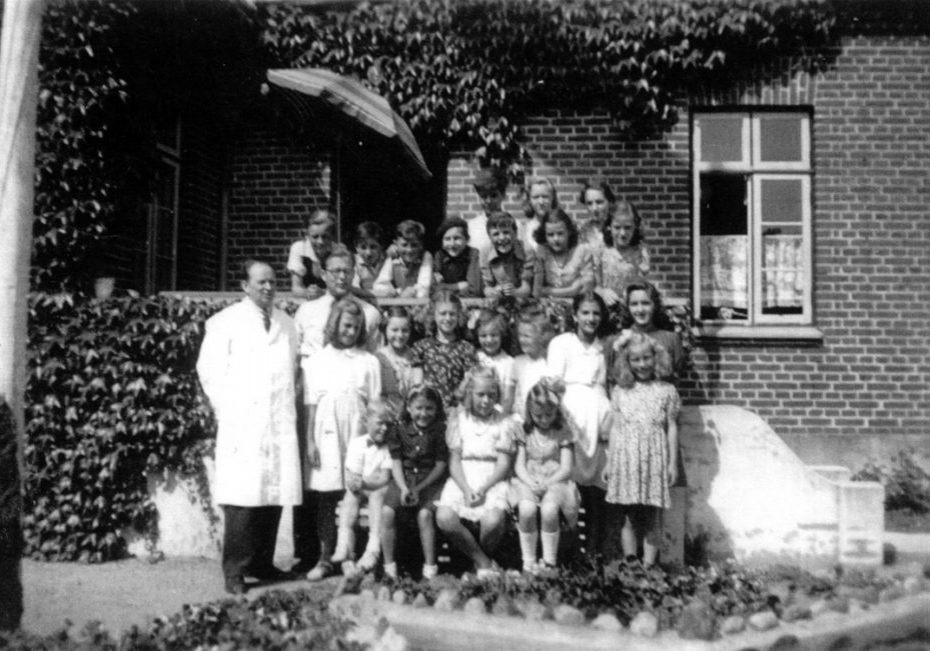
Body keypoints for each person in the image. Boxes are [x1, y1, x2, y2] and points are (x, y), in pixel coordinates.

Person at [196, 259, 301, 594]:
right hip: (243, 423)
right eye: (261, 283)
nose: (268, 288)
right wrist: (231, 410)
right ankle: (235, 570)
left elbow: (293, 369)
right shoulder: (224, 322)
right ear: (245, 286)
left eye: (272, 282)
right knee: (243, 497)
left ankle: (262, 562)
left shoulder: (287, 323)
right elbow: (208, 371)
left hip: (278, 420)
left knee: (273, 493)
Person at [292, 244, 381, 572]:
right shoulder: (317, 361)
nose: (350, 331)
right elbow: (311, 405)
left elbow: (374, 406)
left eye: (355, 328)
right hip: (325, 435)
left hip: (357, 435)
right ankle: (325, 558)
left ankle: (350, 557)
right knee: (326, 497)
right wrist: (311, 442)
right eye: (344, 326)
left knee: (353, 494)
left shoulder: (368, 362)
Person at [546, 291, 612, 558]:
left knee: (597, 487)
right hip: (570, 414)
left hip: (599, 416)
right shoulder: (562, 343)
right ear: (574, 315)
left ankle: (594, 553)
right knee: (569, 484)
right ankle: (568, 552)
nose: (591, 318)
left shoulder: (604, 346)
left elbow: (607, 383)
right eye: (585, 312)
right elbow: (552, 382)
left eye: (596, 313)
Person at [436, 366, 517, 577]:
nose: (486, 401)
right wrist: (465, 488)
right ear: (470, 394)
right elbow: (454, 461)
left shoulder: (504, 422)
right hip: (463, 475)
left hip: (492, 478)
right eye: (480, 394)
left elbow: (503, 464)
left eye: (491, 395)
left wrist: (483, 488)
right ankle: (483, 563)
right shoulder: (459, 419)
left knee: (493, 520)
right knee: (444, 517)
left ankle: (475, 567)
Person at [606, 333, 679, 566]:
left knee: (652, 516)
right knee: (627, 514)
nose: (642, 364)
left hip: (654, 457)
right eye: (635, 360)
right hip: (626, 457)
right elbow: (616, 428)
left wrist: (672, 463)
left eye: (647, 358)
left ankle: (648, 566)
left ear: (656, 358)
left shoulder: (666, 390)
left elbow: (672, 428)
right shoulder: (620, 391)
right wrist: (609, 462)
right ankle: (631, 563)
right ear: (627, 362)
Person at [381, 385, 449, 580]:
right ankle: (389, 567)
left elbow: (440, 466)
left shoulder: (440, 431)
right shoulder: (399, 430)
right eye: (418, 408)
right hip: (404, 478)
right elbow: (396, 463)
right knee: (387, 512)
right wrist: (403, 488)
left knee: (425, 515)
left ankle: (429, 569)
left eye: (429, 408)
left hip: (431, 482)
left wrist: (419, 488)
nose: (424, 413)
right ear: (409, 408)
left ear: (437, 409)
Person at [511, 379, 579, 572]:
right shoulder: (524, 431)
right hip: (528, 480)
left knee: (549, 510)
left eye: (549, 414)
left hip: (556, 480)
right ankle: (529, 562)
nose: (543, 419)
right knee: (526, 509)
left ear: (557, 410)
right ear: (530, 412)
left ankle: (549, 562)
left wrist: (547, 483)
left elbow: (566, 468)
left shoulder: (562, 432)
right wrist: (531, 482)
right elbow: (519, 465)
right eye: (538, 415)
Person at [331, 400, 396, 575]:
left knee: (376, 496)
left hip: (380, 489)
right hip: (362, 487)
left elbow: (384, 478)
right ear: (366, 421)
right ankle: (344, 546)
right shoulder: (357, 444)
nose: (384, 428)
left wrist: (365, 482)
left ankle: (372, 549)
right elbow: (353, 475)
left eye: (388, 424)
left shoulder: (390, 447)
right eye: (380, 423)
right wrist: (357, 483)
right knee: (349, 498)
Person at [410, 290, 477, 410]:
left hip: (457, 409)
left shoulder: (466, 348)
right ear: (434, 315)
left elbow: (469, 381)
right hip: (429, 410)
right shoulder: (421, 347)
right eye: (443, 313)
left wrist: (455, 403)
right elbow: (417, 384)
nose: (448, 318)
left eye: (452, 314)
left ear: (458, 316)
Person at [614, 281, 684, 381]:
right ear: (628, 308)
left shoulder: (671, 339)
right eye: (634, 304)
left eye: (645, 303)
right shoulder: (618, 341)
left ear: (654, 305)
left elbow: (676, 377)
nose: (640, 309)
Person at [596, 201, 650, 308]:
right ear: (609, 227)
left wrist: (643, 272)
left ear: (635, 227)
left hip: (631, 309)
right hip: (606, 307)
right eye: (617, 227)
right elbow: (592, 284)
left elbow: (642, 284)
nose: (623, 233)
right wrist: (603, 292)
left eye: (627, 227)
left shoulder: (640, 251)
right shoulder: (601, 250)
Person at [534, 208, 595, 298]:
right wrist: (571, 290)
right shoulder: (542, 251)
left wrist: (547, 290)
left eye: (560, 233)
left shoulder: (582, 250)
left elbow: (587, 287)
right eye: (550, 235)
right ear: (544, 235)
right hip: (549, 307)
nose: (556, 239)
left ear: (569, 232)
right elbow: (537, 292)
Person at [481, 211, 536, 299]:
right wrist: (496, 291)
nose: (502, 238)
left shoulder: (526, 250)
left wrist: (514, 292)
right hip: (497, 300)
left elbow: (527, 288)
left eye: (506, 232)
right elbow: (487, 288)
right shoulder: (485, 252)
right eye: (496, 234)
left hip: (522, 299)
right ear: (489, 236)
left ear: (515, 233)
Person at [373, 220, 434, 298]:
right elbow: (380, 285)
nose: (409, 250)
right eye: (404, 245)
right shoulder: (392, 257)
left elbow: (424, 287)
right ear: (396, 244)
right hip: (399, 300)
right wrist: (396, 292)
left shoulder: (425, 256)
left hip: (423, 302)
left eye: (414, 245)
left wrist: (413, 290)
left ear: (421, 245)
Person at [512, 306, 553, 420]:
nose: (522, 340)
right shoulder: (518, 361)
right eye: (520, 335)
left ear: (541, 336)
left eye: (527, 336)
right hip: (522, 419)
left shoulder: (549, 363)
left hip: (543, 418)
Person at [376, 306, 422, 403]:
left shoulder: (414, 356)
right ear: (385, 329)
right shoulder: (378, 358)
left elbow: (418, 388)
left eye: (405, 330)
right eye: (395, 330)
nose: (400, 335)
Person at [474, 308, 516, 414]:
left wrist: (501, 418)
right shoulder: (474, 357)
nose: (489, 340)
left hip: (498, 414)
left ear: (502, 335)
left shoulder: (508, 362)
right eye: (483, 336)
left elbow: (508, 398)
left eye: (494, 335)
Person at [288, 210, 336, 299]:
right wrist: (308, 293)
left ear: (332, 236)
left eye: (325, 236)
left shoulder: (338, 251)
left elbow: (343, 288)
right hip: (307, 299)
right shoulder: (299, 248)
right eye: (315, 237)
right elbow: (296, 288)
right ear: (307, 235)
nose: (320, 242)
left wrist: (323, 293)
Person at [433, 215, 482, 296]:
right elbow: (435, 288)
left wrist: (445, 287)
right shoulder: (439, 256)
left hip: (470, 303)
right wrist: (458, 286)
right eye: (447, 239)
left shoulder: (473, 254)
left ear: (467, 239)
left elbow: (474, 289)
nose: (452, 244)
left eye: (457, 238)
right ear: (442, 242)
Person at [467, 167, 507, 254]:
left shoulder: (514, 224)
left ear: (503, 195)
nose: (488, 201)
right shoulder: (472, 227)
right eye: (484, 196)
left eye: (493, 196)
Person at [520, 176, 558, 254]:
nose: (541, 202)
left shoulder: (562, 227)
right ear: (529, 200)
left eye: (545, 197)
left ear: (552, 198)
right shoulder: (523, 231)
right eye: (536, 197)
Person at [577, 178, 615, 251]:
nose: (594, 208)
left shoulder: (619, 228)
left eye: (599, 202)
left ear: (609, 202)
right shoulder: (581, 231)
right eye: (589, 203)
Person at [352, 221, 387, 294]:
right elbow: (355, 289)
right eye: (363, 247)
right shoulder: (353, 262)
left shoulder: (386, 261)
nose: (368, 253)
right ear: (356, 247)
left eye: (373, 247)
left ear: (381, 247)